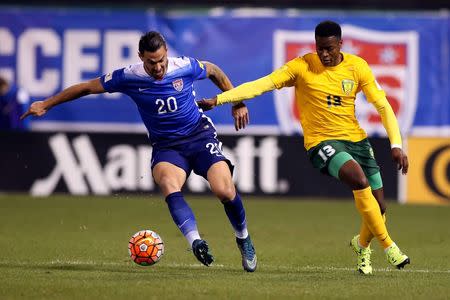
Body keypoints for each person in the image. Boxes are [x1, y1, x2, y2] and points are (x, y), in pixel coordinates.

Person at [21, 31, 257, 272]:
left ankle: (243, 238)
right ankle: (195, 241)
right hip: (166, 146)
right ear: (140, 58)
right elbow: (87, 88)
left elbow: (214, 70)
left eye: (161, 60)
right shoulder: (129, 76)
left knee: (224, 190)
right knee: (168, 183)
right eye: (151, 62)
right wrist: (46, 104)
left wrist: (236, 101)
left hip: (198, 135)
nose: (158, 67)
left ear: (166, 52)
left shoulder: (184, 66)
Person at [197, 20, 410, 275]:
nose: (324, 54)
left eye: (330, 48)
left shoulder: (357, 67)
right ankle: (390, 247)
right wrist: (220, 99)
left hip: (358, 141)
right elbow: (262, 84)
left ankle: (361, 245)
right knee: (358, 179)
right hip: (322, 142)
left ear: (340, 44)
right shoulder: (301, 66)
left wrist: (396, 144)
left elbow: (383, 106)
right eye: (320, 48)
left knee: (380, 208)